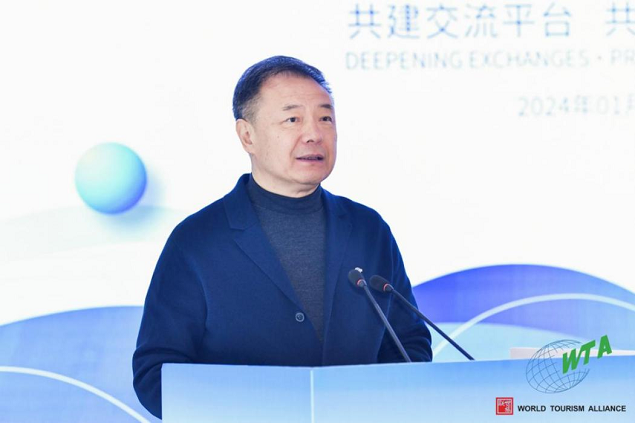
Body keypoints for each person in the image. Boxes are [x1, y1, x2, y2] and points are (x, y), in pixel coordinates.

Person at [132, 56, 432, 419]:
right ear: (247, 135)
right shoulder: (197, 241)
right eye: (293, 119)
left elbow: (408, 345)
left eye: (325, 118)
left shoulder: (368, 230)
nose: (314, 134)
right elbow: (156, 374)